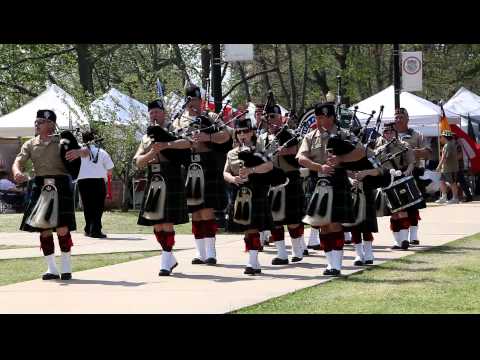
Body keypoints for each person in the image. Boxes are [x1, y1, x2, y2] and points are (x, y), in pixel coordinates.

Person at [11, 110, 90, 280]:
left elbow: (87, 152)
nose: (37, 124)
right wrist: (17, 171)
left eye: (41, 121)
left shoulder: (63, 140)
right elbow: (18, 161)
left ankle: (66, 267)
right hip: (40, 185)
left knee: (62, 227)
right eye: (37, 121)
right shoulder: (30, 144)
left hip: (60, 184)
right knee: (44, 229)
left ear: (51, 124)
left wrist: (79, 152)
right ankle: (52, 268)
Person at [296, 102, 365, 276]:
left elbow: (361, 152)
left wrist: (341, 159)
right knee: (323, 225)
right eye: (318, 117)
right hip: (317, 183)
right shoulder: (310, 137)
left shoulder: (344, 134)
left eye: (324, 117)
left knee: (335, 224)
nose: (321, 121)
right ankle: (329, 264)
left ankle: (337, 264)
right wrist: (319, 167)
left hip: (337, 181)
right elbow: (300, 157)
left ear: (332, 117)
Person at [172, 85, 232, 265]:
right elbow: (173, 139)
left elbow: (226, 136)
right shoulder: (179, 121)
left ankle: (211, 252)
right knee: (195, 212)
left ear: (201, 101)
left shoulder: (211, 117)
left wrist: (208, 138)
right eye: (190, 101)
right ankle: (200, 253)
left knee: (206, 210)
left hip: (208, 164)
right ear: (186, 101)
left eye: (197, 101)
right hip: (189, 165)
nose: (193, 104)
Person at [134, 99, 191, 276]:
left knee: (166, 221)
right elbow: (138, 162)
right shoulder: (145, 137)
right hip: (153, 177)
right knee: (157, 224)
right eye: (151, 112)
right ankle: (169, 256)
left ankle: (165, 260)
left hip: (171, 175)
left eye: (157, 111)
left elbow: (188, 143)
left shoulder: (174, 129)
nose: (154, 115)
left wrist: (167, 144)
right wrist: (152, 151)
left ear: (163, 112)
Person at [257, 103, 308, 265]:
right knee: (274, 220)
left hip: (290, 178)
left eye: (274, 117)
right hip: (271, 180)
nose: (270, 120)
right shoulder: (262, 138)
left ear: (280, 118)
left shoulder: (290, 135)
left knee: (293, 219)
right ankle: (281, 253)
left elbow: (297, 152)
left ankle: (297, 250)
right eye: (268, 117)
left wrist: (282, 150)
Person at [223, 118, 273, 274]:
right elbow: (225, 172)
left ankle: (252, 261)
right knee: (246, 228)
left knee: (253, 227)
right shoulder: (232, 153)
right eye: (239, 132)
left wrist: (251, 171)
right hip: (240, 193)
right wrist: (233, 179)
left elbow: (269, 166)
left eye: (245, 131)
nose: (242, 135)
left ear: (251, 132)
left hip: (257, 191)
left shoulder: (260, 149)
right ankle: (254, 261)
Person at [393, 108, 431, 245]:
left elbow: (427, 152)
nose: (398, 120)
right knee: (396, 207)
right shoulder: (390, 135)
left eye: (401, 117)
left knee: (413, 206)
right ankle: (400, 238)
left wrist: (410, 152)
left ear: (407, 119)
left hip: (412, 173)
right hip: (393, 175)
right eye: (396, 117)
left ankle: (413, 236)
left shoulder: (416, 135)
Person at [375, 121, 415, 250]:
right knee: (393, 213)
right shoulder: (379, 149)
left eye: (391, 131)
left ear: (395, 132)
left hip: (401, 180)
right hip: (386, 182)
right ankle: (397, 241)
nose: (388, 134)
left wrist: (405, 173)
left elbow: (411, 163)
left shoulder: (404, 145)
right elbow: (375, 165)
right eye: (386, 131)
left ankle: (404, 240)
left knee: (402, 210)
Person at [76, 130, 114, 238]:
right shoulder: (102, 152)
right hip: (98, 182)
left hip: (83, 181)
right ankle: (96, 230)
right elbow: (110, 169)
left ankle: (88, 229)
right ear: (94, 138)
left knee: (87, 206)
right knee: (97, 207)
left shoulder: (78, 152)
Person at [436, 130, 460, 204]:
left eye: (441, 137)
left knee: (452, 183)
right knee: (442, 181)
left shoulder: (448, 145)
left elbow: (444, 157)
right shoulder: (450, 144)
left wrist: (439, 166)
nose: (440, 138)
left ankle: (455, 198)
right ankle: (444, 197)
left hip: (450, 168)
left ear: (445, 137)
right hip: (446, 168)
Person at [455, 135, 473, 202]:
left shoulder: (457, 145)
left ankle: (468, 196)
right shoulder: (456, 145)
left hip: (458, 167)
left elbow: (460, 156)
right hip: (457, 167)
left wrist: (451, 159)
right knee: (458, 182)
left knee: (462, 182)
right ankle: (465, 196)